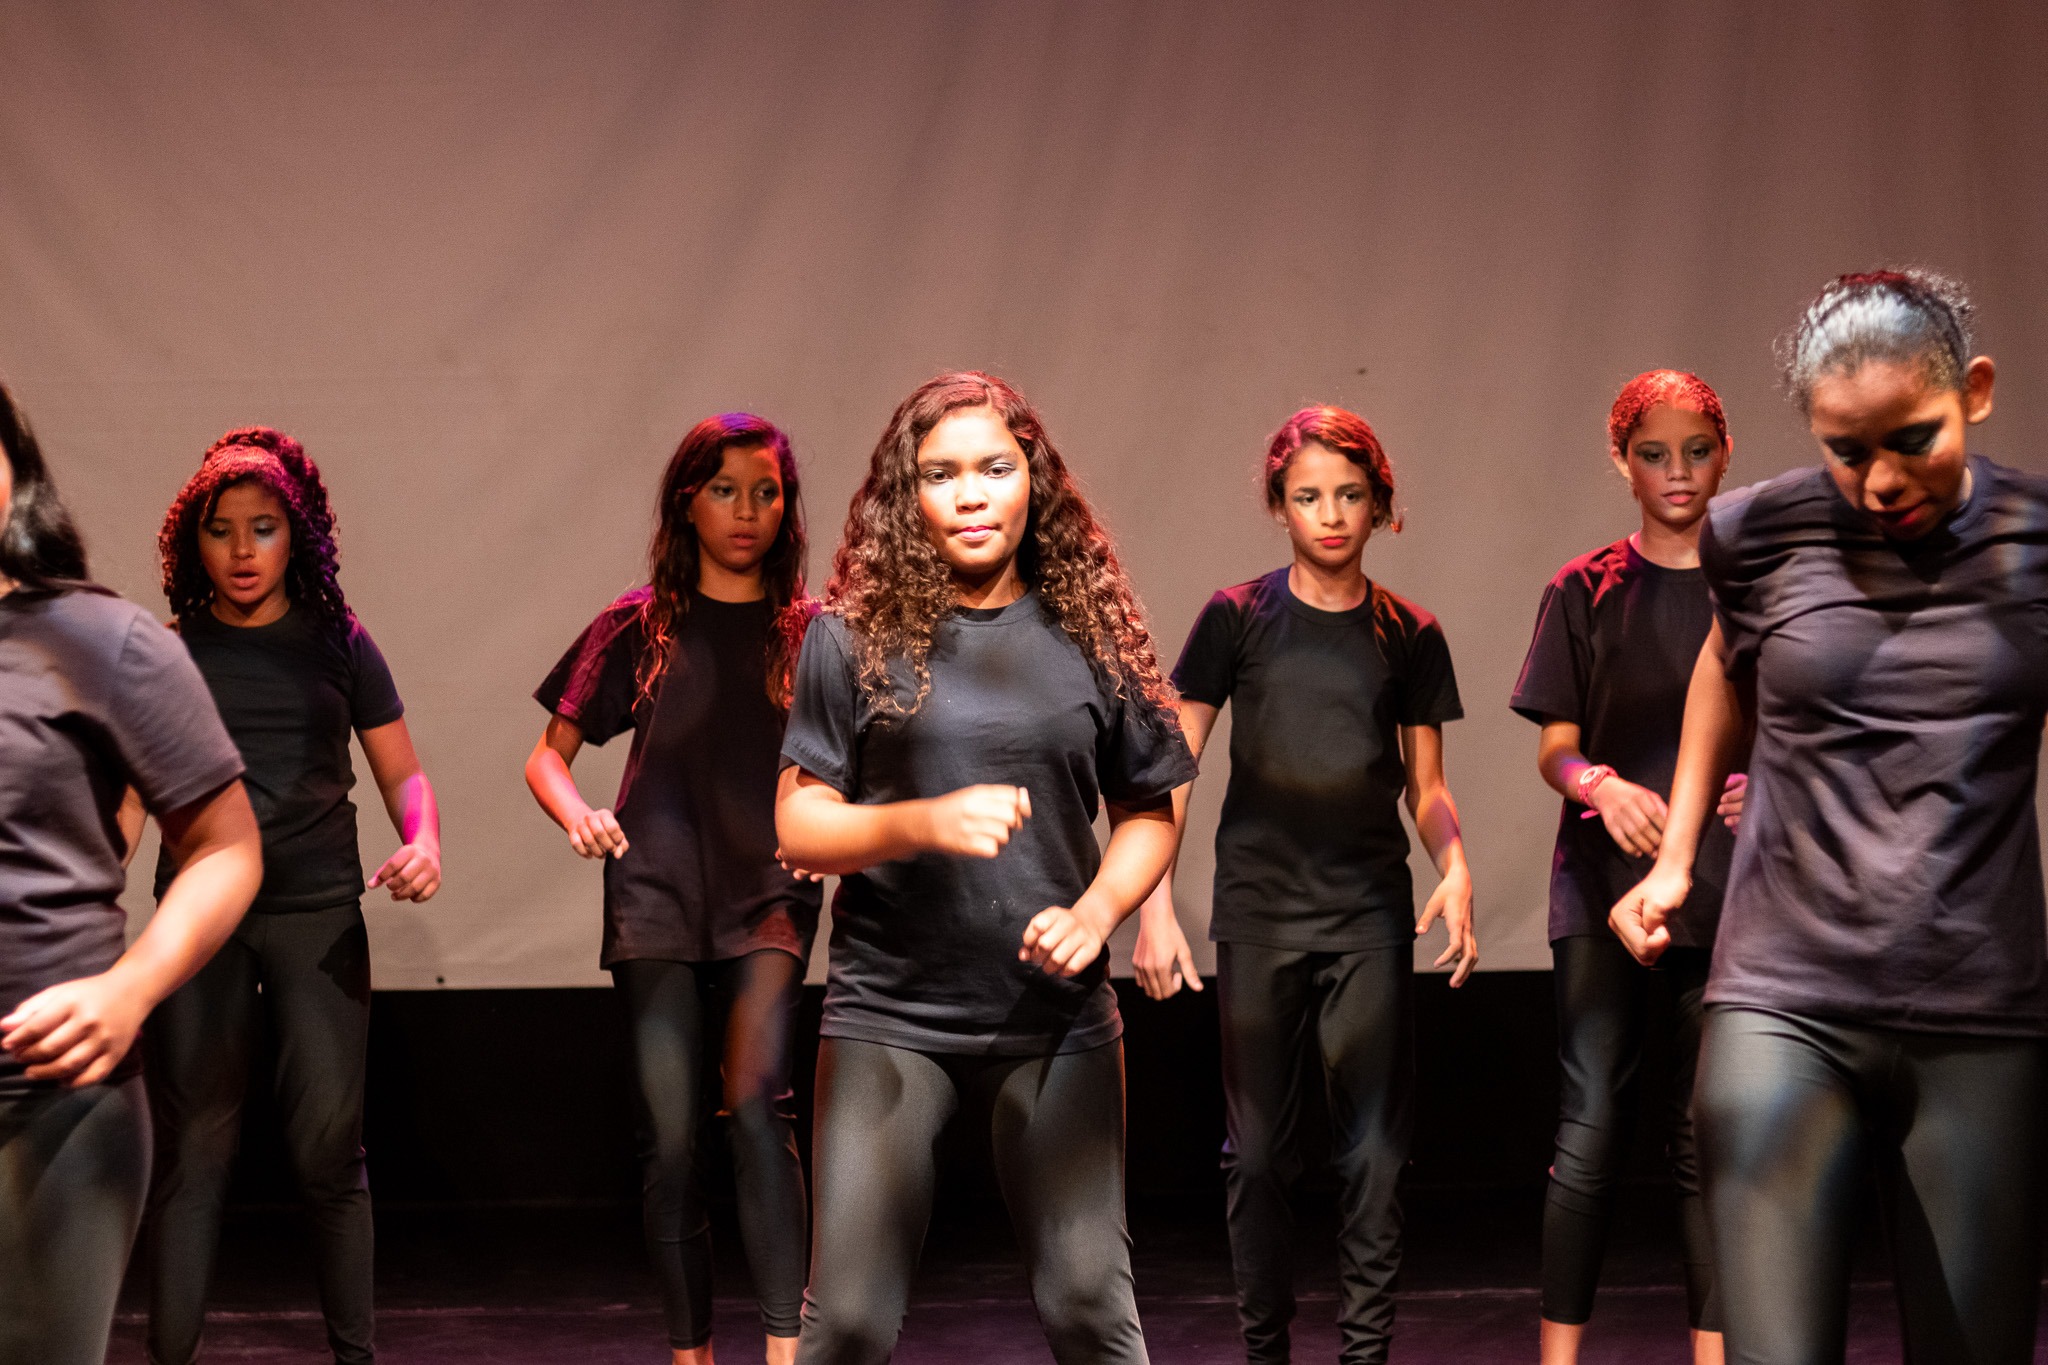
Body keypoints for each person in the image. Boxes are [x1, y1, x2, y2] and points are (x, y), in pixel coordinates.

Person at [1613, 269, 2048, 1364]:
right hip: (1784, 998)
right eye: (1847, 451)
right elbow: (1723, 667)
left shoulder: (2035, 540)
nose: (1881, 481)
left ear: (1975, 392)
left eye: (1913, 439)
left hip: (1977, 1005)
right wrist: (1674, 858)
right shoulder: (1757, 531)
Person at [775, 371, 1194, 1365]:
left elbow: (1149, 808)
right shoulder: (849, 636)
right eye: (942, 474)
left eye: (995, 469)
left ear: (1032, 481)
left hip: (1053, 1017)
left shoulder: (1092, 632)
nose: (970, 495)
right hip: (890, 1012)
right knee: (848, 1321)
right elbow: (798, 826)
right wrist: (921, 820)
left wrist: (1098, 911)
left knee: (1088, 1303)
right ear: (907, 495)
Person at [1131, 404, 1477, 1365]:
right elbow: (1172, 770)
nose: (1330, 514)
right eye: (1308, 495)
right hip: (1259, 913)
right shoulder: (1236, 617)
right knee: (1258, 1156)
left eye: (1350, 495)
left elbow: (1427, 787)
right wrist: (1154, 905)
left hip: (1368, 914)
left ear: (1381, 505)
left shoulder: (1410, 633)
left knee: (1374, 1154)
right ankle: (1266, 1352)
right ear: (1278, 504)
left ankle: (1365, 1355)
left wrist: (1455, 865)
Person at [140, 427, 442, 1365]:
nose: (241, 550)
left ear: (296, 537)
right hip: (202, 920)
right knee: (195, 1153)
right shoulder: (170, 652)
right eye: (221, 530)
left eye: (263, 528)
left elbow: (403, 773)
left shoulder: (339, 642)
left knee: (328, 1153)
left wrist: (424, 839)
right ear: (192, 542)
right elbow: (130, 797)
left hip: (316, 913)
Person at [526, 413, 821, 1365]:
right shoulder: (640, 622)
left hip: (769, 895)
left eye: (766, 492)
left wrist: (839, 830)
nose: (746, 511)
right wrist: (576, 812)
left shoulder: (811, 633)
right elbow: (546, 758)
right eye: (724, 490)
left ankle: (785, 1352)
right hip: (654, 894)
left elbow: (860, 762)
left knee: (758, 1105)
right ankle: (690, 1356)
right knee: (672, 1138)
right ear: (687, 503)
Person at [0, 382, 263, 1365]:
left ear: (15, 470)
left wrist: (130, 988)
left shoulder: (98, 641)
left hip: (43, 1100)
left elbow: (226, 846)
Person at [1511, 371, 1746, 1365]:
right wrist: (1597, 785)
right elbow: (1553, 747)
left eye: (1695, 451)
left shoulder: (1753, 586)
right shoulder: (1584, 587)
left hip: (1727, 886)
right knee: (1591, 1122)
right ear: (1622, 463)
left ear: (1724, 455)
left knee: (1705, 1137)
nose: (1676, 471)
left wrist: (1769, 784)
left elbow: (1794, 721)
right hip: (1600, 885)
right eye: (1653, 454)